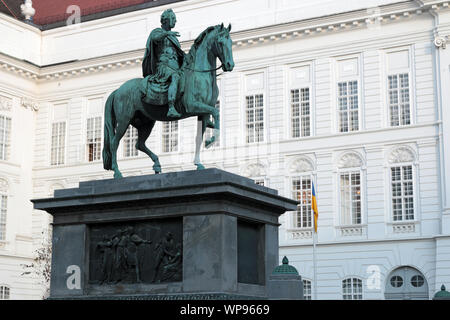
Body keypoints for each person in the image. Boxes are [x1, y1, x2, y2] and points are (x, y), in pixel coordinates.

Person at [142, 8, 185, 118]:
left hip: (175, 65)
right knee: (175, 77)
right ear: (166, 20)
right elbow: (155, 38)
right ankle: (171, 107)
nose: (175, 21)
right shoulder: (157, 32)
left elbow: (179, 53)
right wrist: (166, 34)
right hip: (163, 66)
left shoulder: (173, 37)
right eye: (173, 18)